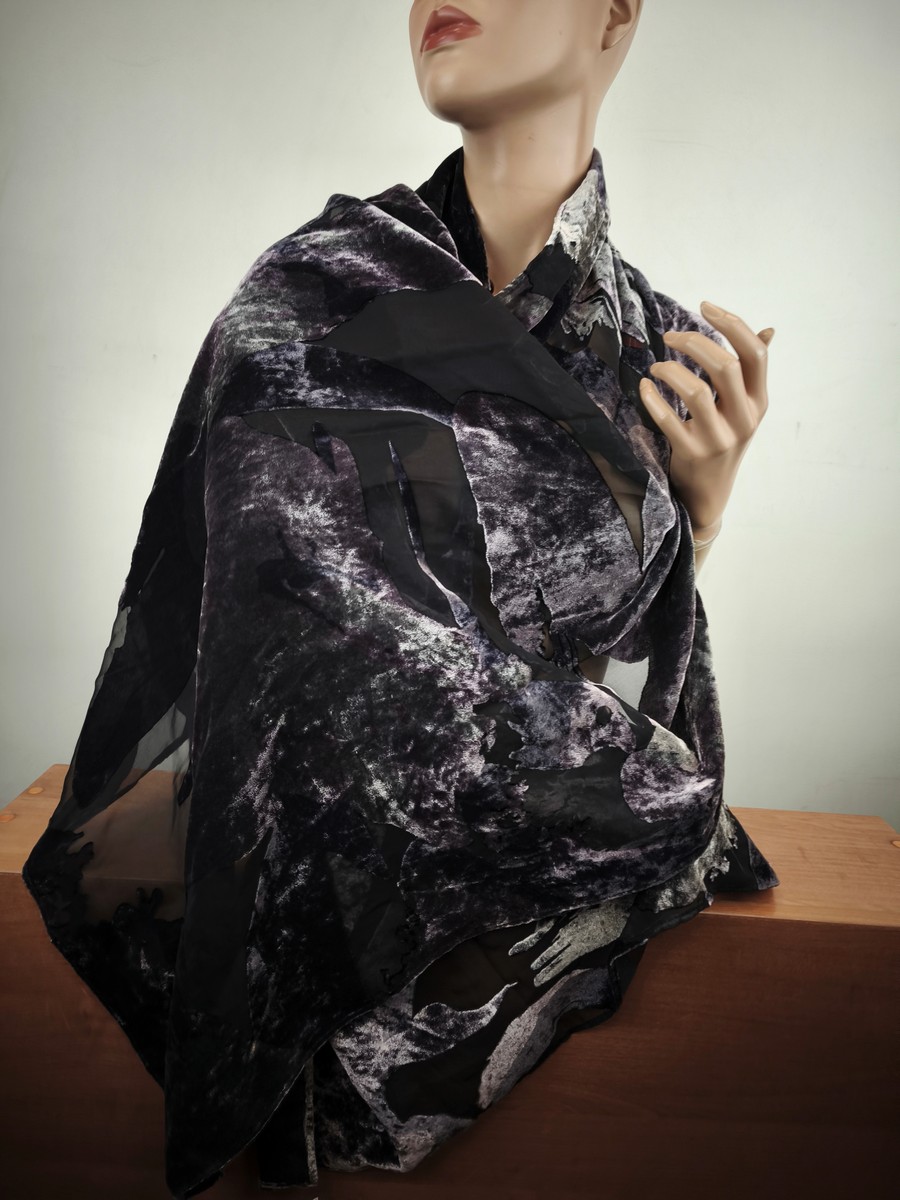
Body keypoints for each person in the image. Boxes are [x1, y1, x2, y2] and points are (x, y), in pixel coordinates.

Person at [22, 3, 779, 1197]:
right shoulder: (303, 308)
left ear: (617, 12)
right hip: (306, 906)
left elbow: (606, 680)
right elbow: (295, 656)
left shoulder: (662, 359)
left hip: (521, 972)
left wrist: (698, 517)